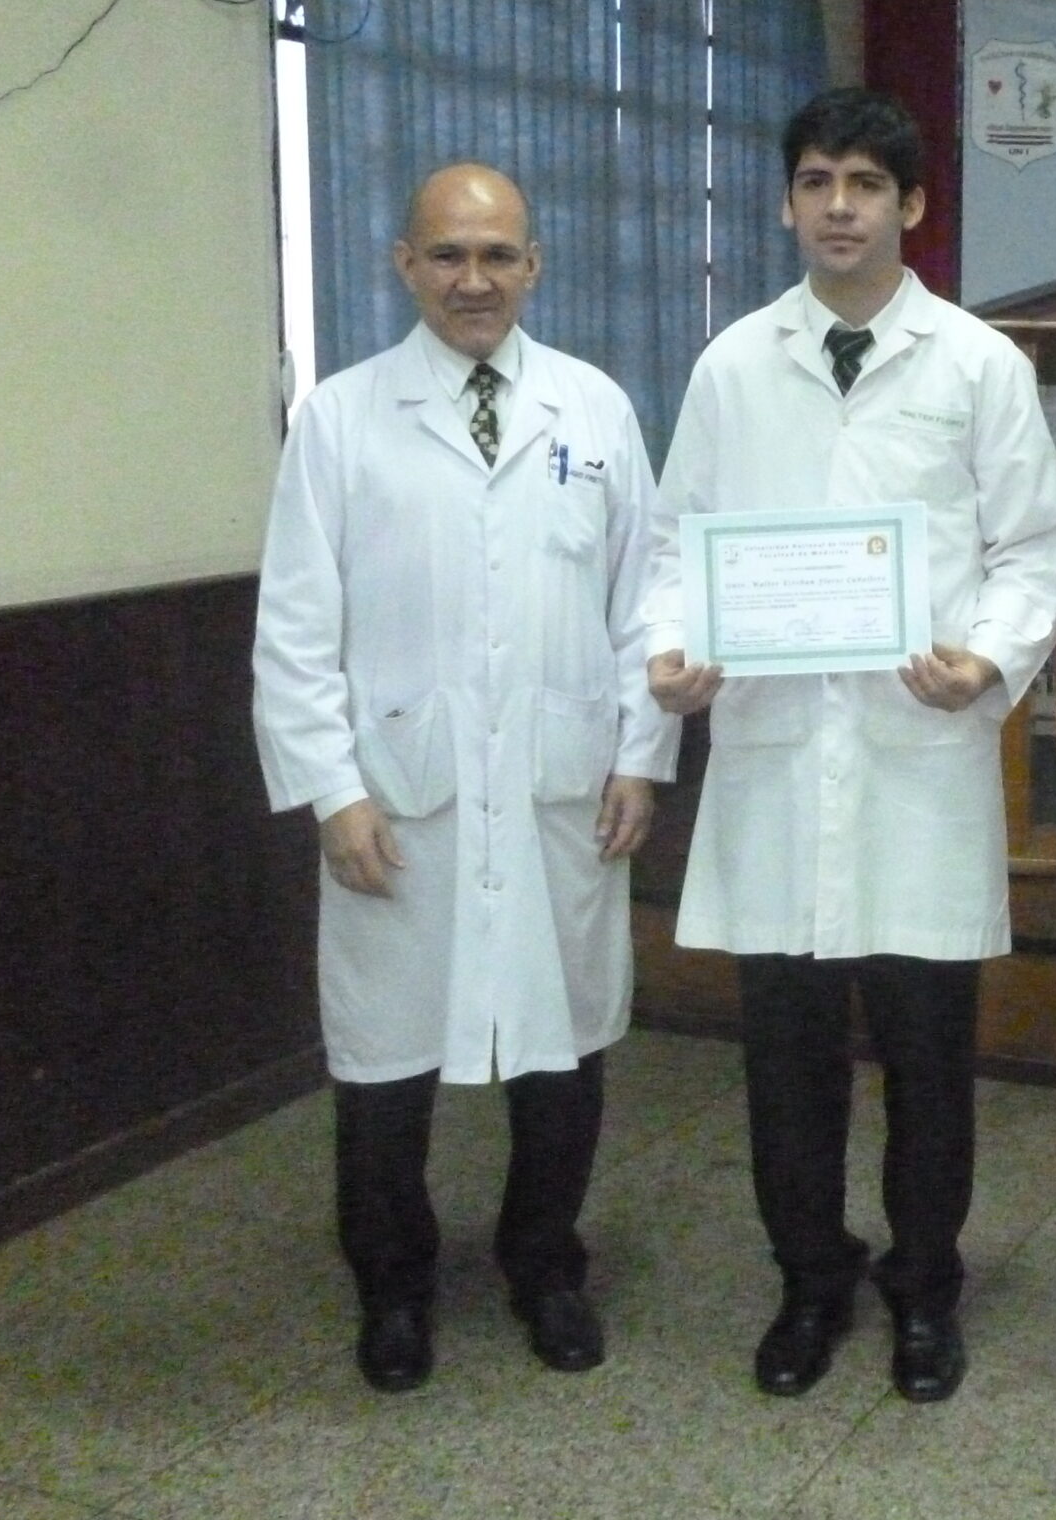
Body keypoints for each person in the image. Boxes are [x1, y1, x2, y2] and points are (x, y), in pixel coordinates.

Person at [644, 87, 1056, 1406]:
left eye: (866, 184)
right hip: (777, 761)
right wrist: (674, 649)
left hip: (916, 761)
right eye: (817, 181)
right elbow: (673, 547)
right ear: (787, 202)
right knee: (785, 1069)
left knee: (930, 1066)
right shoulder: (733, 365)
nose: (840, 206)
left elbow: (1037, 551)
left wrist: (988, 660)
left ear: (912, 205)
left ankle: (924, 1292)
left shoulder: (977, 365)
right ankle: (809, 1281)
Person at [252, 162, 678, 1393]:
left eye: (498, 255)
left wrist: (641, 756)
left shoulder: (592, 409)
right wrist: (332, 790)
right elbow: (294, 627)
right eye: (447, 255)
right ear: (405, 265)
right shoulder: (341, 420)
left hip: (559, 787)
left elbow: (644, 598)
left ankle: (546, 1267)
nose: (473, 280)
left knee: (562, 1051)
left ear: (534, 266)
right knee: (385, 1062)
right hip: (399, 796)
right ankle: (393, 1288)